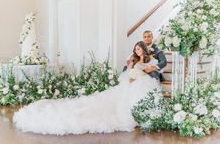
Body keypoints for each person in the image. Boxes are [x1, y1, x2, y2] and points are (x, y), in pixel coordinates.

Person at [13, 41, 161, 135]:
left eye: (139, 49)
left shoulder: (149, 61)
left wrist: (140, 73)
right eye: (136, 49)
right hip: (130, 82)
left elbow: (150, 71)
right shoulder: (132, 60)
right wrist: (131, 71)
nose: (138, 51)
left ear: (144, 50)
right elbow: (128, 71)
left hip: (140, 81)